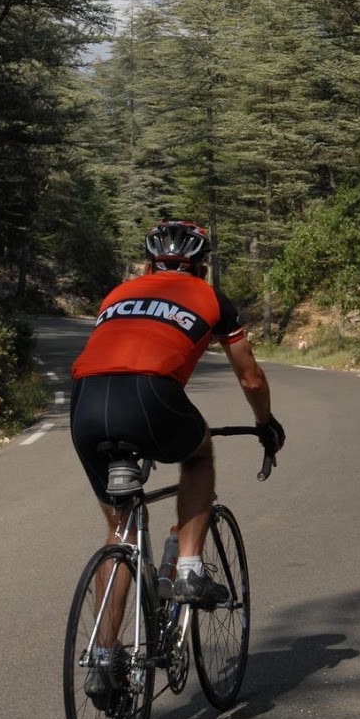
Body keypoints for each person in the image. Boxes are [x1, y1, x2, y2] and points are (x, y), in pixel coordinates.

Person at [70, 218, 285, 602]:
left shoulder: (117, 294)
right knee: (198, 454)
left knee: (122, 532)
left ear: (149, 266)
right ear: (201, 268)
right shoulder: (211, 297)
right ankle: (189, 571)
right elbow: (250, 377)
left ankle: (105, 655)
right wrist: (265, 423)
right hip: (150, 396)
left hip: (85, 400)